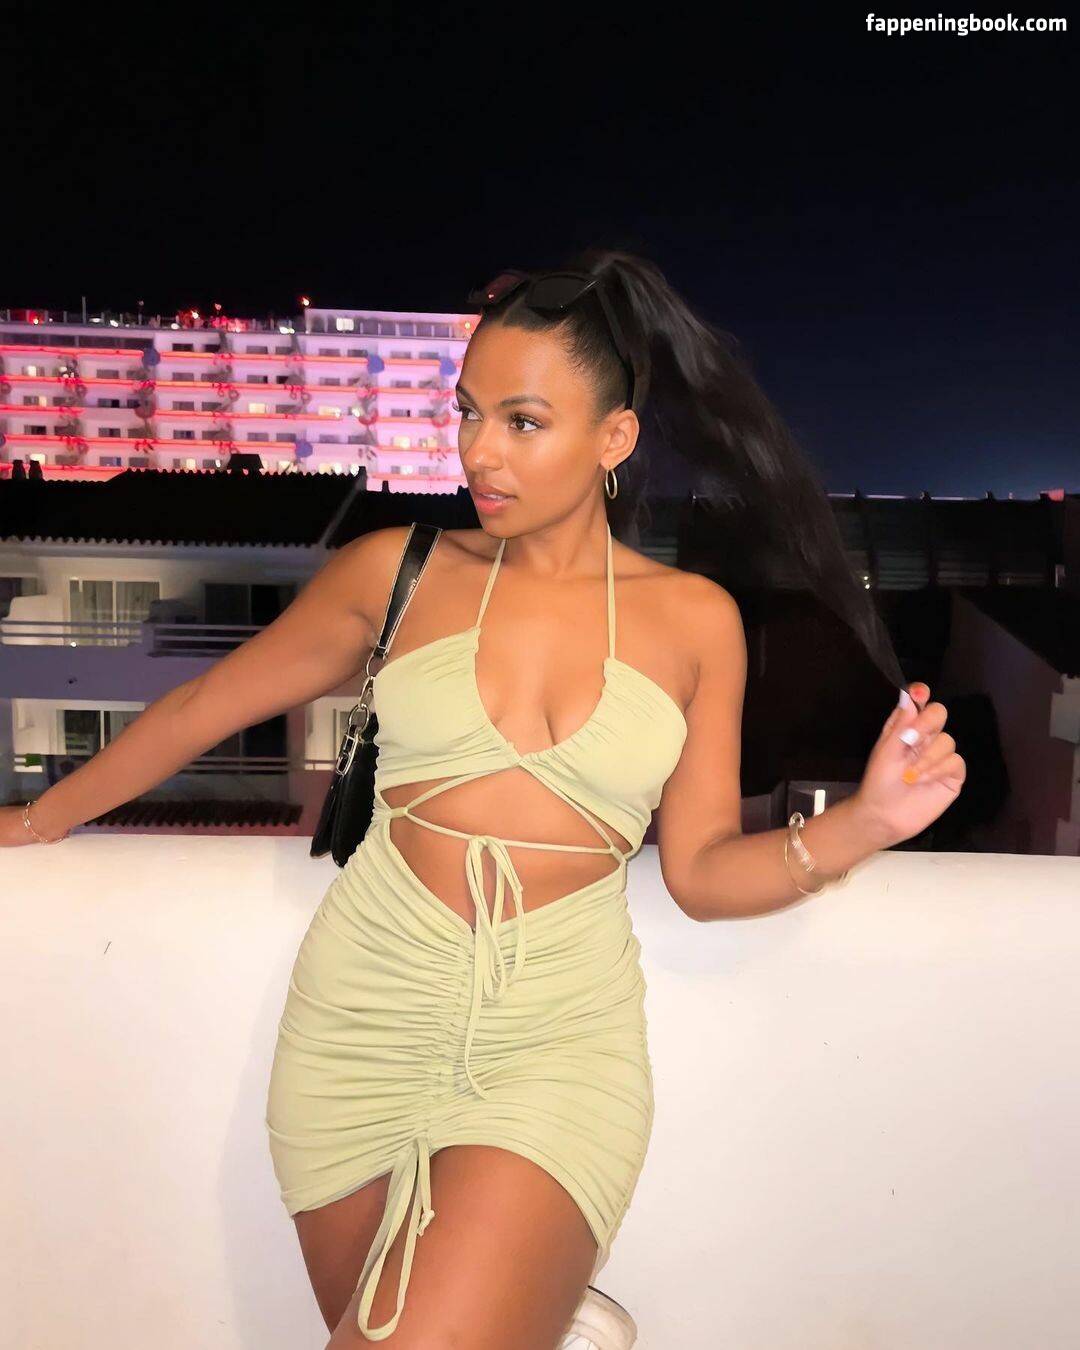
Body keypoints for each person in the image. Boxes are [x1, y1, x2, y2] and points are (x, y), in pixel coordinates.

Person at [3, 250, 966, 1349]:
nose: (476, 451)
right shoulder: (395, 573)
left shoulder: (695, 620)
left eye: (522, 421)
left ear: (614, 438)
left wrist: (867, 822)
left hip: (551, 1045)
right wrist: (32, 820)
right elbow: (199, 709)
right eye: (467, 412)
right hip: (358, 1026)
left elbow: (700, 871)